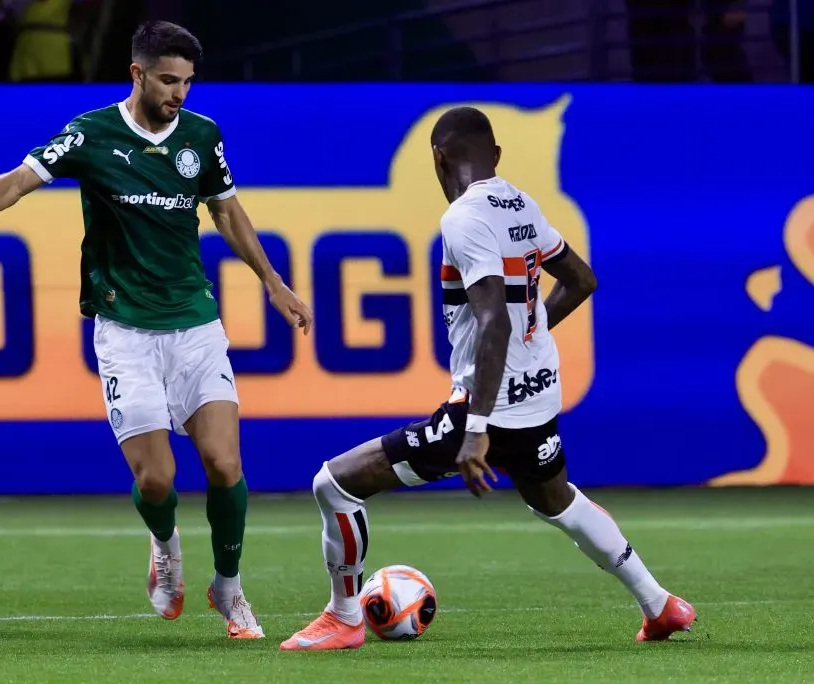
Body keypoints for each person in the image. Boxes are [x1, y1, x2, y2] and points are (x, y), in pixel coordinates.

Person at [0, 20, 313, 640]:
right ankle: (166, 550)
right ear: (137, 74)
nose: (180, 94)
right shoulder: (92, 133)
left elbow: (227, 212)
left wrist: (273, 281)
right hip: (125, 329)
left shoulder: (201, 136)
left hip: (194, 321)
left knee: (223, 461)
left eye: (187, 82)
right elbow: (20, 178)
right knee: (158, 478)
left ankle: (229, 587)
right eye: (168, 80)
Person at [280, 106, 695, 651]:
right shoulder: (521, 203)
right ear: (496, 155)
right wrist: (533, 333)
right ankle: (660, 604)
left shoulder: (462, 219)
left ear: (437, 158)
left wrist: (476, 426)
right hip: (538, 397)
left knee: (334, 484)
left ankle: (344, 617)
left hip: (489, 407)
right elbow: (581, 280)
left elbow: (495, 318)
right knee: (556, 500)